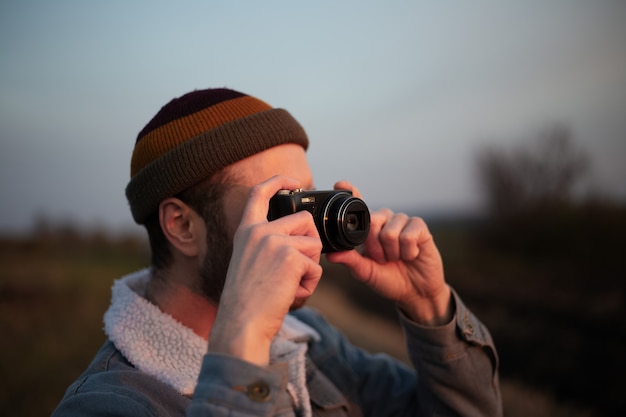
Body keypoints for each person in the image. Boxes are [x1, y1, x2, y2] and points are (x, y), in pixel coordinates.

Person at [52, 88, 502, 417]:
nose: (305, 226)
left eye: (309, 198)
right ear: (182, 225)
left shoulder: (309, 339)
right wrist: (242, 342)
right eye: (282, 202)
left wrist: (429, 306)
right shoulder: (110, 404)